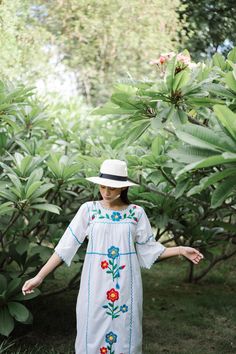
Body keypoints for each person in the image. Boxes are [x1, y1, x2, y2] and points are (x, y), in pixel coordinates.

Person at [22, 159, 204, 354]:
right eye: (102, 186)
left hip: (127, 285)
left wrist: (181, 249)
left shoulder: (136, 213)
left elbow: (150, 250)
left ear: (124, 188)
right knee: (91, 330)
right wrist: (39, 276)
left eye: (112, 187)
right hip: (95, 285)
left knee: (126, 331)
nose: (106, 192)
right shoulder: (89, 210)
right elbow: (65, 247)